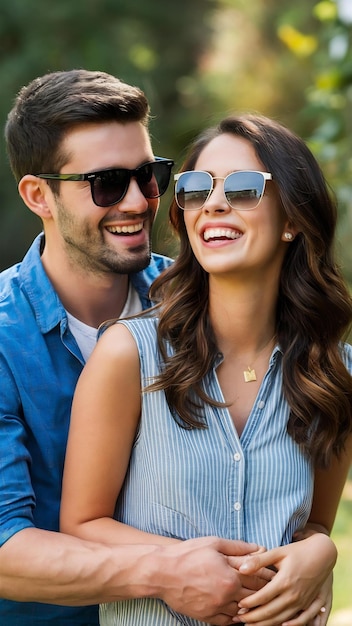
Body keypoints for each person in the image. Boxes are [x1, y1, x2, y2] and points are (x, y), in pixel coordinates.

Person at [60, 113, 352, 626]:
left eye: (243, 188)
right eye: (196, 188)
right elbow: (82, 524)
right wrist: (176, 566)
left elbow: (315, 525)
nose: (214, 203)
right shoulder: (129, 355)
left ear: (292, 220)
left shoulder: (334, 373)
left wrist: (320, 552)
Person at [0, 71, 269, 626]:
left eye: (149, 176)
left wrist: (320, 547)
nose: (137, 201)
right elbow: (5, 550)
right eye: (104, 183)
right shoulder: (5, 337)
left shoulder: (202, 302)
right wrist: (165, 572)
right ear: (37, 196)